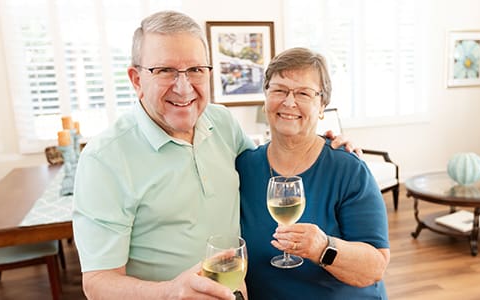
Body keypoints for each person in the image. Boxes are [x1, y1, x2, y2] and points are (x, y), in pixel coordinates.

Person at [72, 11, 354, 300]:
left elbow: (270, 162)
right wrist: (171, 293)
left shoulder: (221, 122)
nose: (183, 87)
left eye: (195, 69)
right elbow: (97, 283)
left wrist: (323, 145)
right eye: (165, 70)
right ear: (136, 79)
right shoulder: (104, 159)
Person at [236, 47, 390, 299]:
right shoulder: (243, 168)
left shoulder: (348, 169)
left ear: (322, 106)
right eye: (279, 90)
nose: (289, 102)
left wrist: (323, 248)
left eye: (304, 93)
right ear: (265, 97)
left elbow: (375, 266)